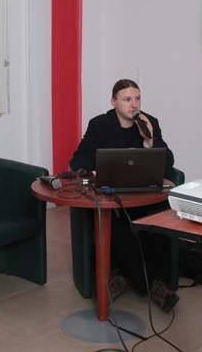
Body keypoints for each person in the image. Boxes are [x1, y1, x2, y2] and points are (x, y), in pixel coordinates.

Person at [69, 79, 180, 312]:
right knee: (116, 223)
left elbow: (168, 162)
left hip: (143, 196)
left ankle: (124, 276)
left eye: (137, 99)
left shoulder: (150, 123)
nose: (134, 104)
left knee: (166, 215)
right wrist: (92, 172)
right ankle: (153, 285)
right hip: (113, 199)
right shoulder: (100, 125)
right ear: (114, 102)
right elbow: (80, 158)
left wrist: (150, 139)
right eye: (127, 99)